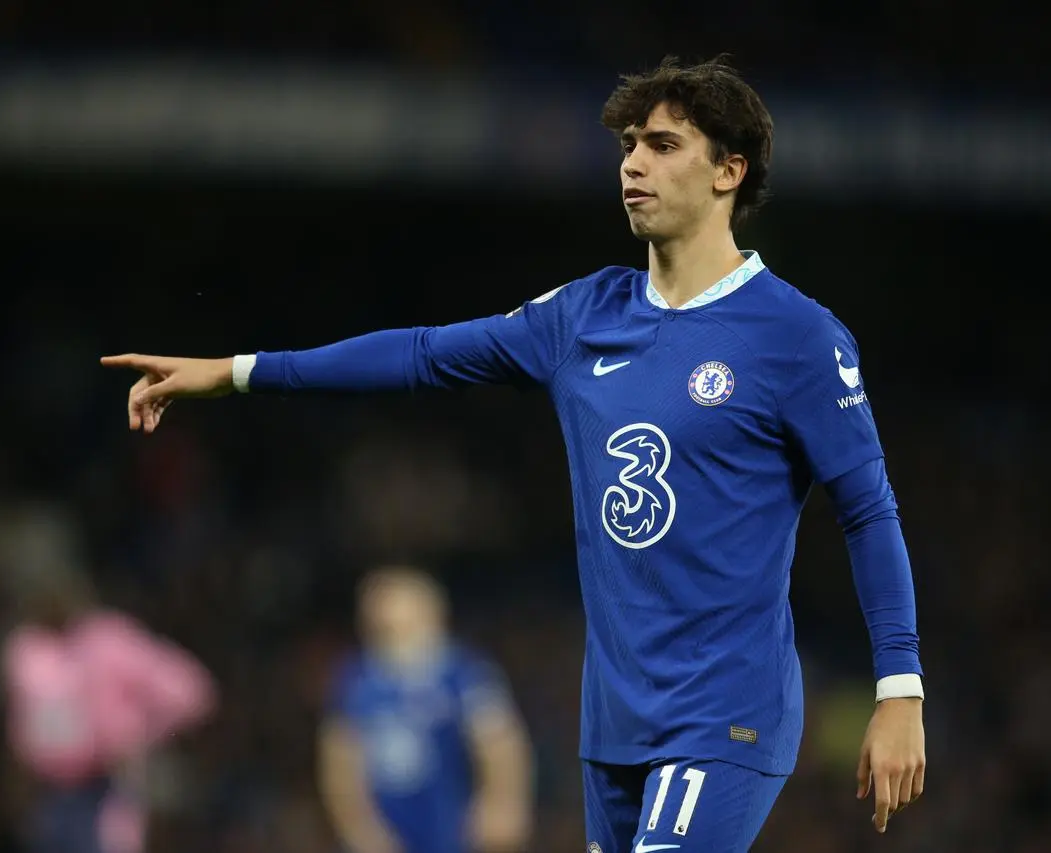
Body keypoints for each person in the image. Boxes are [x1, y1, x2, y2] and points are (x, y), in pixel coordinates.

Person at [103, 55, 927, 852]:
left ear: (728, 172)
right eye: (629, 145)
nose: (633, 164)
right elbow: (423, 353)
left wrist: (899, 689)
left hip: (728, 712)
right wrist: (237, 372)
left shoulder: (797, 336)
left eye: (662, 145)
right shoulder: (580, 316)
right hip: (614, 717)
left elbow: (867, 510)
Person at [318, 566, 534, 853]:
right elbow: (340, 757)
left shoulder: (463, 672)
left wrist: (502, 802)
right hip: (387, 828)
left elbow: (500, 742)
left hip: (454, 824)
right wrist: (358, 826)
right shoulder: (357, 680)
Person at [1, 567, 216, 853]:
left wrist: (144, 734)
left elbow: (190, 693)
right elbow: (25, 723)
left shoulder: (109, 640)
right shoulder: (28, 649)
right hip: (50, 792)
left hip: (111, 782)